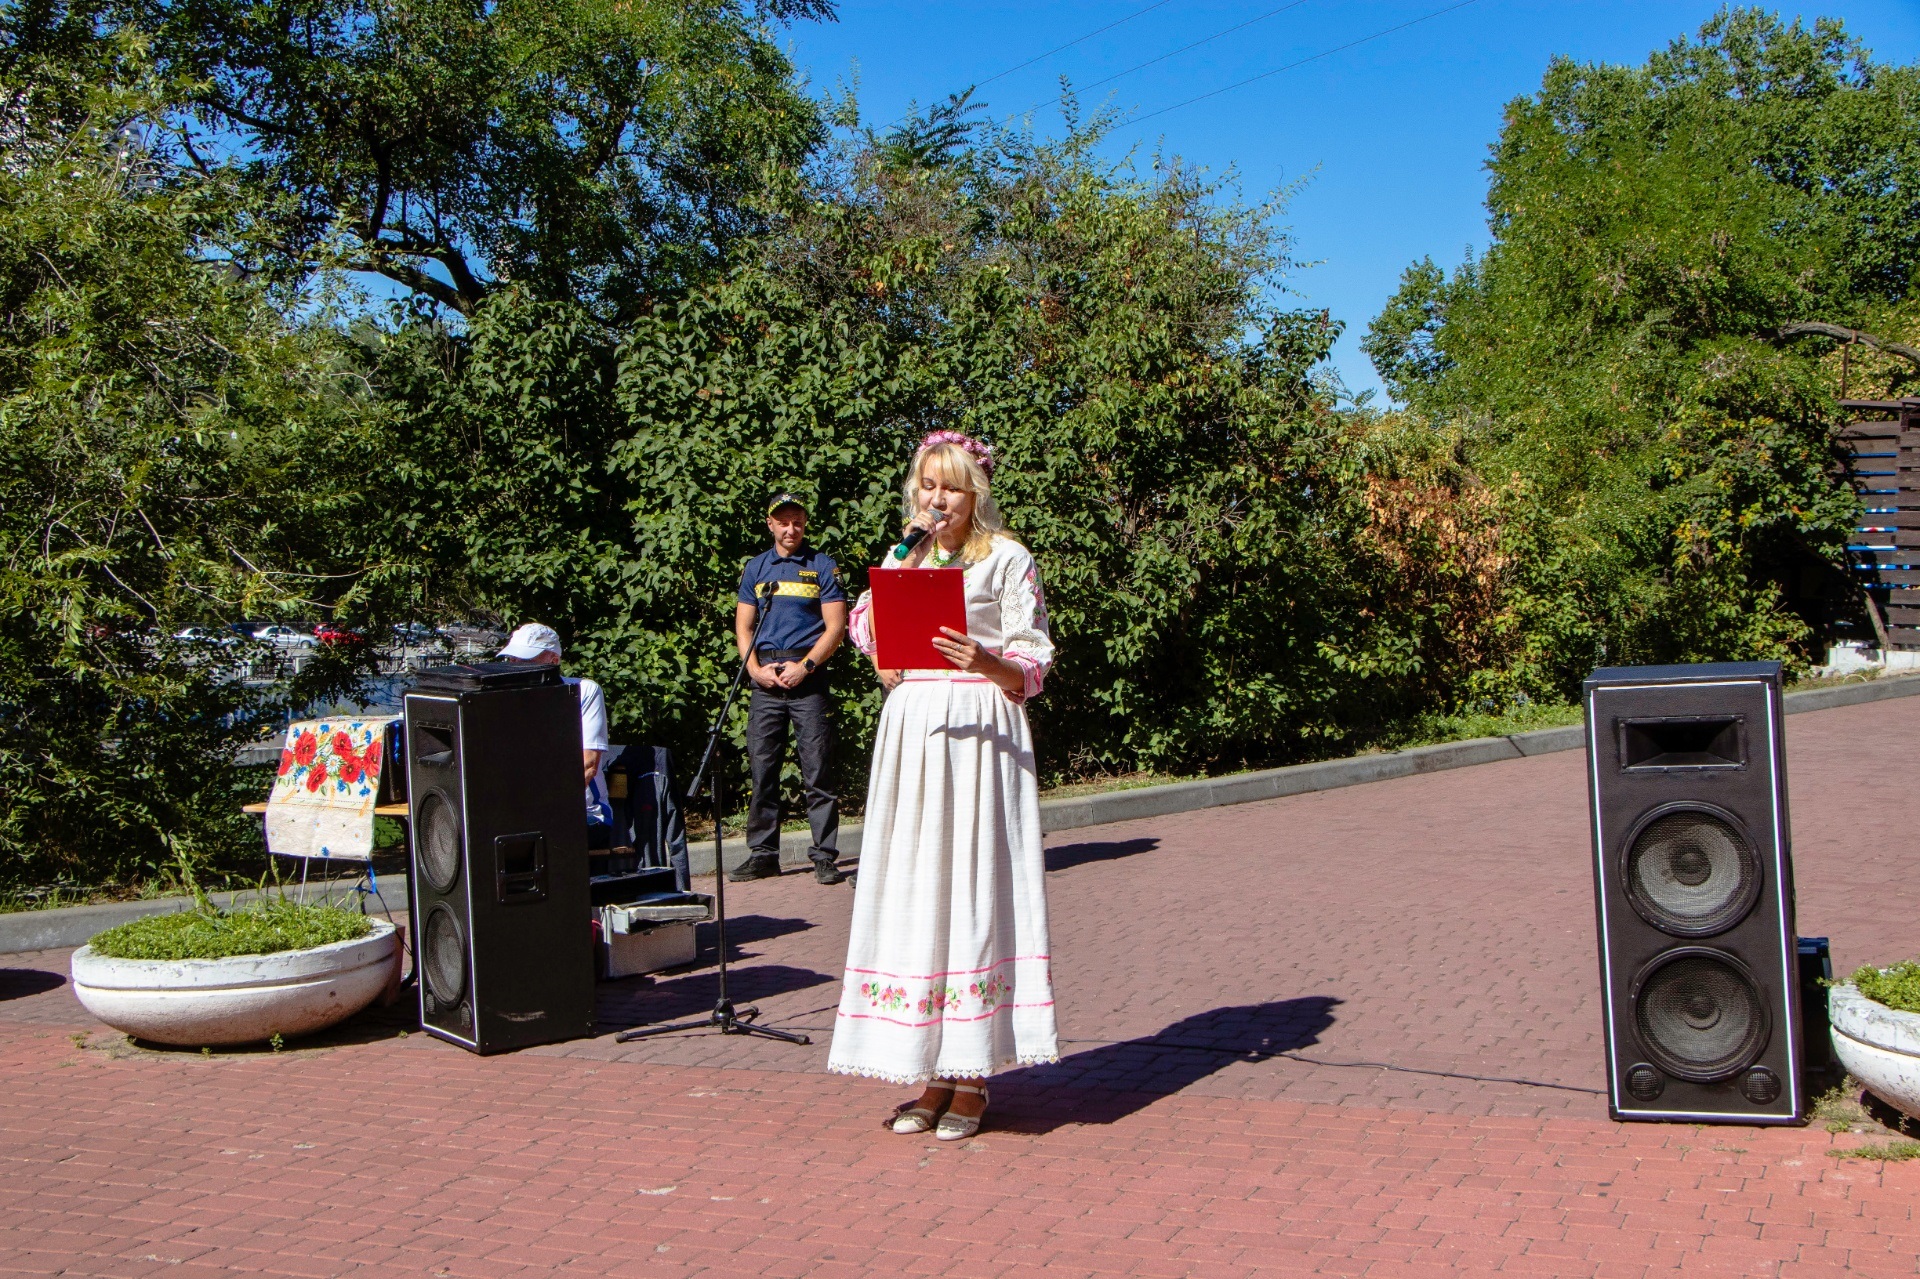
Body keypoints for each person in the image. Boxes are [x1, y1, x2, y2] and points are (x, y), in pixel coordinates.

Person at [826, 431, 1058, 1141]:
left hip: (979, 728)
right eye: (927, 486)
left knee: (971, 887)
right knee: (917, 888)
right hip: (915, 735)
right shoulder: (910, 556)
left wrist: (984, 660)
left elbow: (1034, 663)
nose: (936, 499)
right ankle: (926, 1070)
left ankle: (973, 1075)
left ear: (975, 492)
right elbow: (868, 632)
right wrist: (896, 581)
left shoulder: (1007, 557)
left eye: (950, 487)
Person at [733, 493, 849, 885]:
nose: (791, 528)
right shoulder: (756, 568)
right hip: (765, 680)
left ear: (804, 524)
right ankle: (763, 854)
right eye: (783, 521)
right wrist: (755, 671)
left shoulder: (822, 566)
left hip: (808, 680)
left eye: (797, 521)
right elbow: (743, 628)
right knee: (762, 769)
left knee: (817, 770)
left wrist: (806, 667)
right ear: (770, 524)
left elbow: (835, 628)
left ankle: (824, 855)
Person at [498, 623, 614, 838]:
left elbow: (587, 766)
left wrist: (536, 807)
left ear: (554, 661)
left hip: (582, 814)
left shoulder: (584, 691)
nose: (515, 664)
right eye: (512, 658)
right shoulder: (502, 699)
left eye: (525, 659)